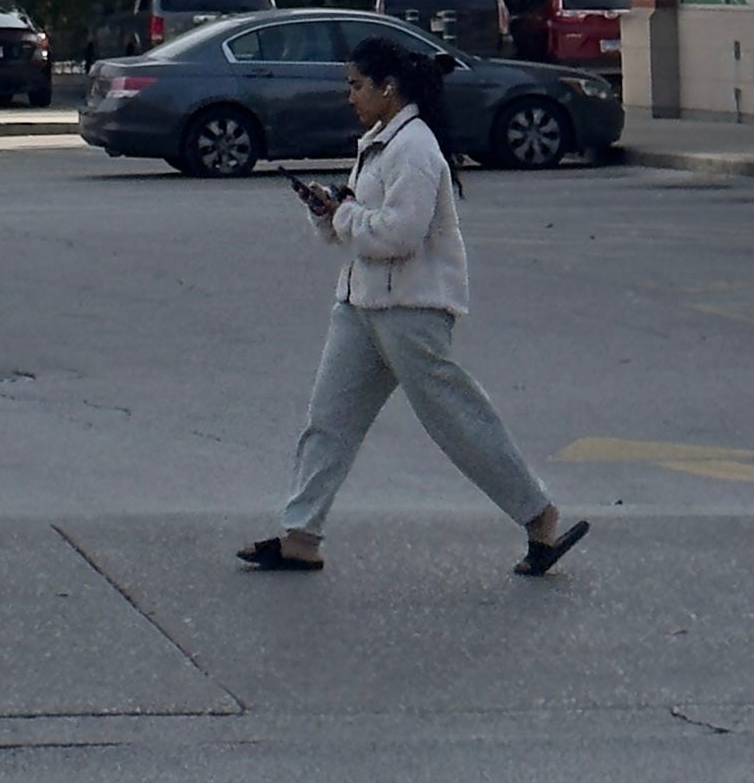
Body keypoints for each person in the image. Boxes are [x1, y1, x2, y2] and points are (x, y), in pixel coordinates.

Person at [238, 29, 588, 579]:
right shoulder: (381, 141)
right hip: (362, 304)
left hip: (411, 309)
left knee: (457, 420)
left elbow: (399, 236)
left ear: (388, 87)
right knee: (328, 421)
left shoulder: (415, 148)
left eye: (357, 86)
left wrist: (344, 214)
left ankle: (540, 517)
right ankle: (300, 537)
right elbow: (359, 228)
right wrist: (329, 210)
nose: (350, 97)